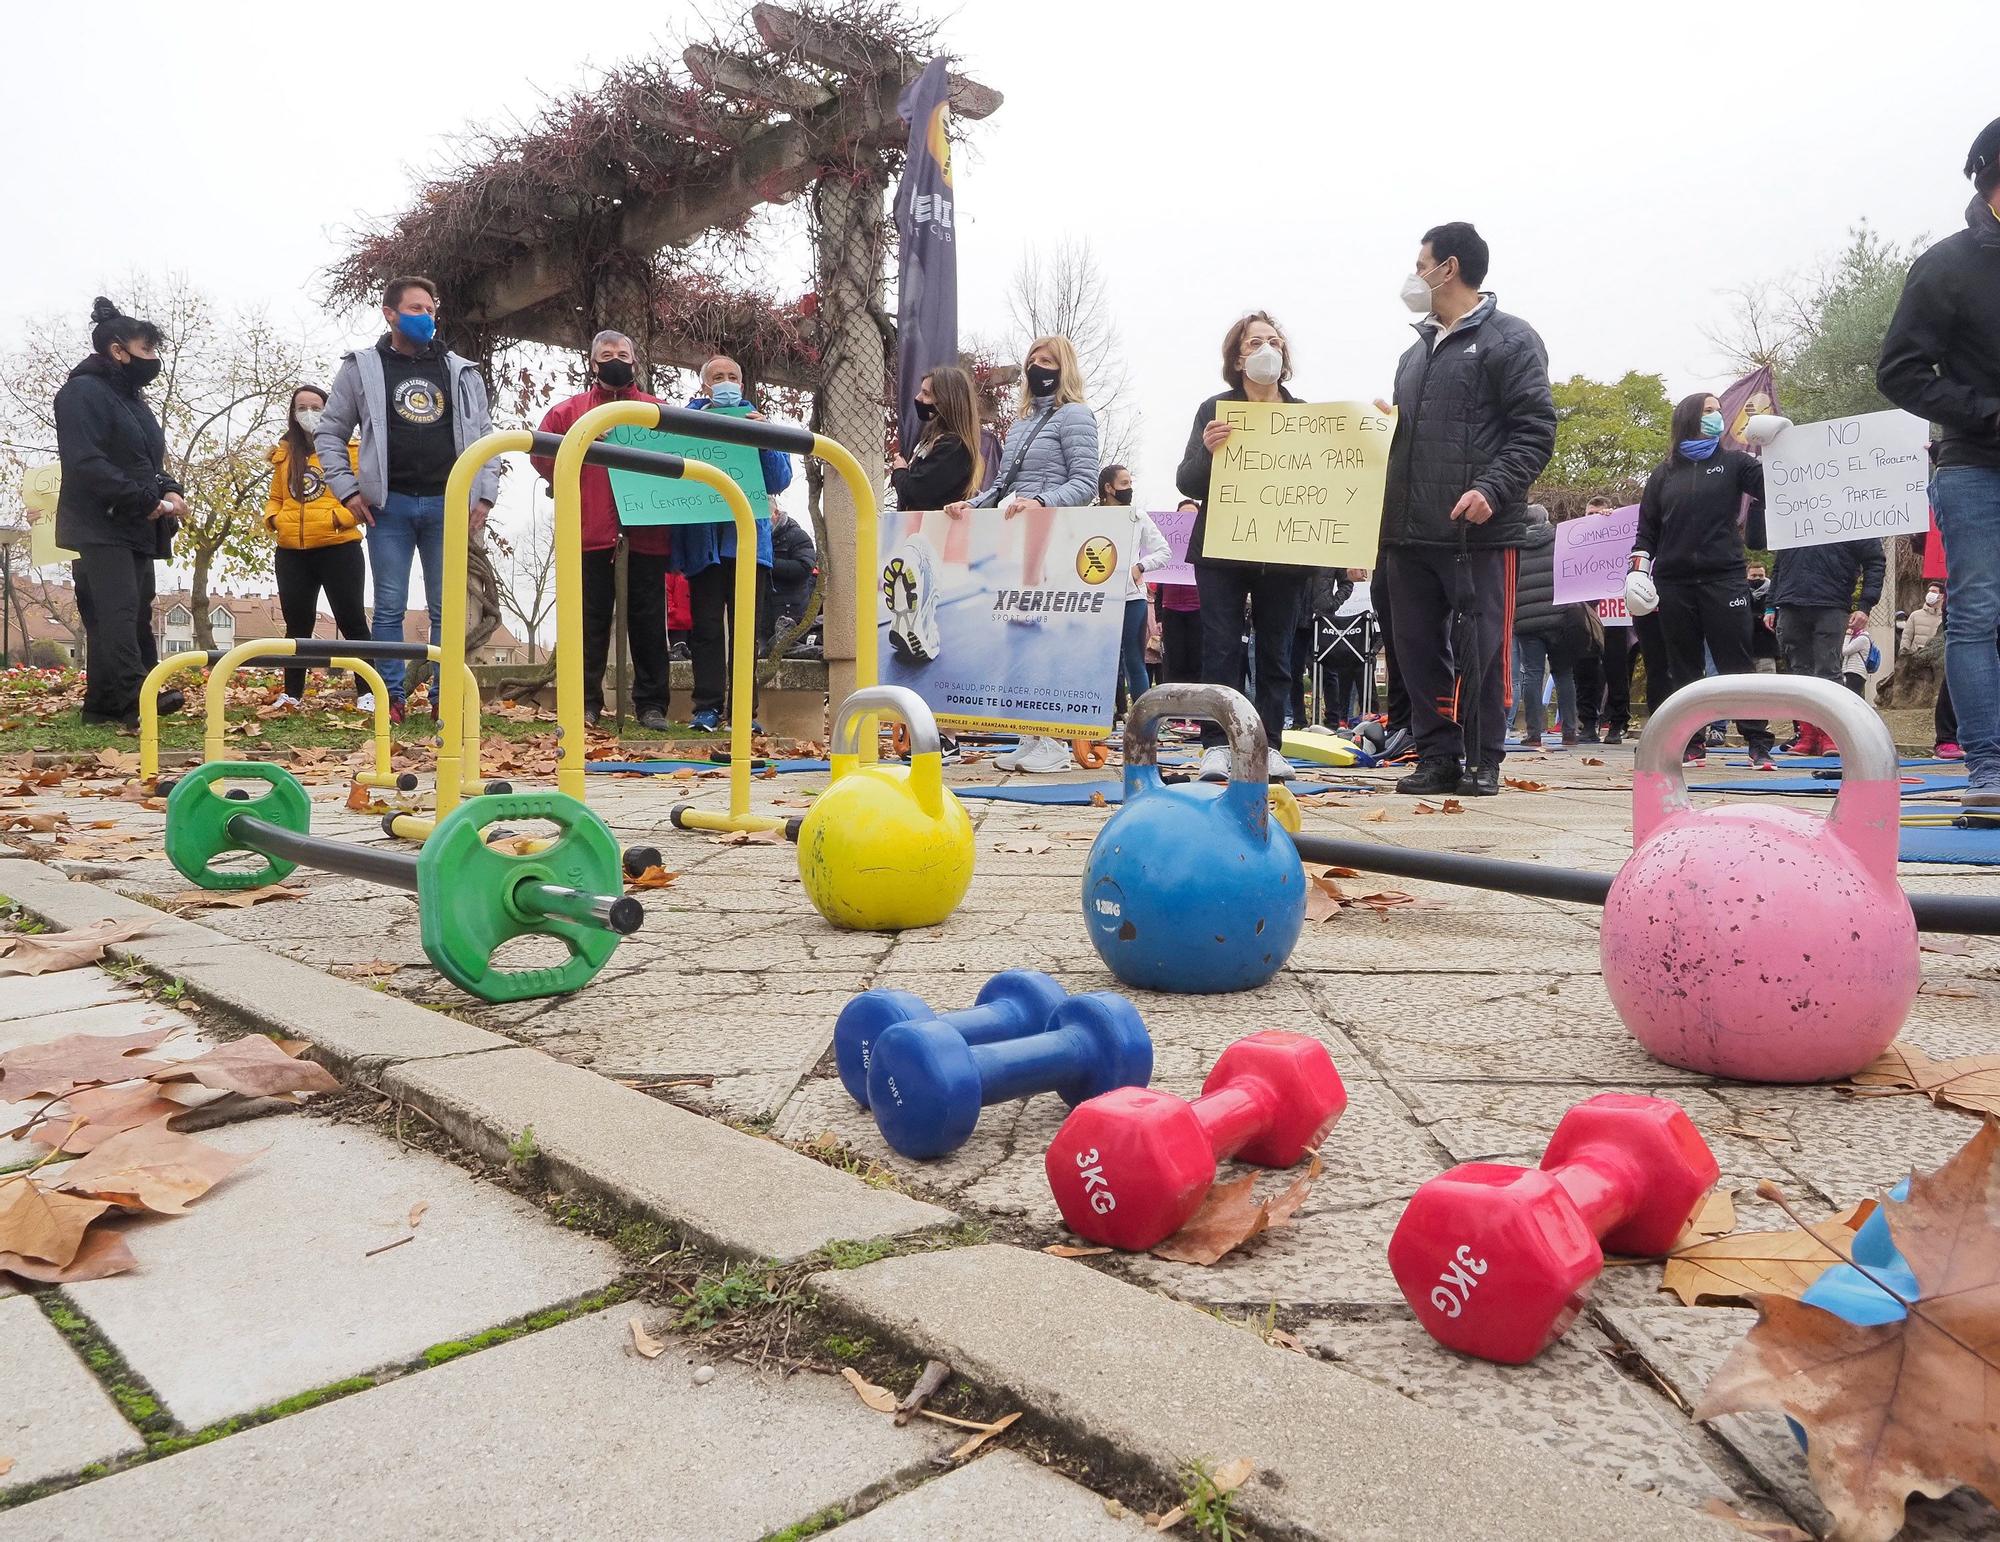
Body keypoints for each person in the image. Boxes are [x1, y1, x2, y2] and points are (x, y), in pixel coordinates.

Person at [1377, 223, 1557, 796]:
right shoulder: (1412, 355)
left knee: (1483, 647)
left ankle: (1483, 757)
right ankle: (1436, 755)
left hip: (1475, 532)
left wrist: (1492, 489)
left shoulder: (1510, 339)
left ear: (1446, 268)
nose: (1414, 273)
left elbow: (1535, 429)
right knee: (1416, 649)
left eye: (1420, 262)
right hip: (1409, 534)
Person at [1877, 116, 2000, 809]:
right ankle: (1989, 770)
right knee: (1978, 614)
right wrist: (1986, 410)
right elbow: (1898, 370)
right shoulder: (1947, 265)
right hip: (1976, 467)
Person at [316, 276, 496, 723]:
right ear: (390, 313)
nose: (426, 317)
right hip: (388, 506)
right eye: (415, 309)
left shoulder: (460, 370)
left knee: (445, 607)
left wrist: (485, 495)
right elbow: (330, 432)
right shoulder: (362, 367)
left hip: (447, 503)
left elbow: (486, 436)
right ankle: (391, 697)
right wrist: (347, 489)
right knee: (390, 605)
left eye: (431, 310)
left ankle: (444, 698)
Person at [946, 336, 1099, 775]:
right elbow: (1002, 485)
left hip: (1049, 538)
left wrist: (1043, 501)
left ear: (1064, 367)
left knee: (1042, 634)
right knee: (1019, 634)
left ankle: (1053, 740)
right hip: (1016, 536)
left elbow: (1086, 481)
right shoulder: (1021, 423)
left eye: (1048, 360)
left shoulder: (1076, 416)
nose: (1038, 366)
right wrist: (971, 505)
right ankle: (1030, 735)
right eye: (1033, 359)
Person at [1174, 312, 1316, 782]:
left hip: (1283, 551)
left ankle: (1270, 744)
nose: (1266, 349)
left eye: (1274, 340)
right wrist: (1208, 452)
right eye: (1255, 342)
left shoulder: (1305, 416)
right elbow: (1188, 481)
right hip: (1222, 551)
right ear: (1237, 356)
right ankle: (1217, 744)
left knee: (1277, 652)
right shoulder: (1215, 409)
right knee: (1221, 650)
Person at [54, 297, 186, 731]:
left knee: (133, 609)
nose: (153, 359)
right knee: (116, 610)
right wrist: (143, 498)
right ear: (117, 350)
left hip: (133, 522)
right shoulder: (82, 393)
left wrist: (168, 489)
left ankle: (104, 704)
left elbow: (146, 460)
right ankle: (137, 695)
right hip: (99, 521)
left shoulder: (132, 399)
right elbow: (85, 462)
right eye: (146, 350)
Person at [1626, 391, 1777, 768]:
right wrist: (1636, 572)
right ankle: (1690, 741)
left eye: (1718, 411)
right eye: (1708, 411)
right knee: (1683, 666)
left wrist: (1770, 446)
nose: (1716, 416)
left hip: (1723, 577)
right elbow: (1646, 531)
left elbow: (1775, 486)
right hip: (1673, 582)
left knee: (1736, 661)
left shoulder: (1735, 463)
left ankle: (1757, 741)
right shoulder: (1663, 474)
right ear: (1690, 418)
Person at [531, 332, 673, 730]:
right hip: (590, 532)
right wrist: (580, 445)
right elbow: (541, 458)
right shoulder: (568, 413)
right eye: (606, 354)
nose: (615, 360)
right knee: (588, 622)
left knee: (647, 622)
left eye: (623, 354)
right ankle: (585, 703)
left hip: (646, 533)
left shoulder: (657, 412)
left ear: (635, 362)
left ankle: (651, 706)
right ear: (593, 364)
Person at [678, 355, 793, 733]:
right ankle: (707, 710)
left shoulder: (756, 421)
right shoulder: (685, 422)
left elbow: (780, 479)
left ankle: (744, 713)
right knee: (706, 628)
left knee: (746, 630)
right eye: (717, 377)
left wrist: (767, 438)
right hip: (704, 542)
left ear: (741, 385)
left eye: (732, 376)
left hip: (748, 543)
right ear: (704, 386)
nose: (725, 382)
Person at [264, 385, 372, 708]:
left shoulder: (350, 449)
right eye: (301, 407)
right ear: (293, 414)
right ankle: (292, 694)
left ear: (328, 409)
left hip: (338, 548)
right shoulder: (284, 453)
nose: (308, 413)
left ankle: (368, 693)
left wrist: (338, 519)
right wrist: (274, 520)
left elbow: (364, 495)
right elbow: (275, 499)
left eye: (315, 406)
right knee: (297, 625)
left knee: (352, 621)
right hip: (292, 552)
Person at [885, 363, 984, 662]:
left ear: (947, 400)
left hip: (937, 531)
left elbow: (918, 489)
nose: (919, 399)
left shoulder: (955, 446)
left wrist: (899, 472)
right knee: (917, 564)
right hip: (922, 527)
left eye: (927, 394)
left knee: (924, 567)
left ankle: (920, 612)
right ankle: (914, 613)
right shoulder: (933, 440)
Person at [1770, 535, 1884, 756]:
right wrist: (1770, 604)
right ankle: (1807, 734)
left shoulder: (1852, 515)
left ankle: (1831, 735)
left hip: (1832, 603)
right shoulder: (1791, 513)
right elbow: (1779, 563)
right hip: (1790, 602)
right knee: (1798, 675)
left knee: (1828, 671)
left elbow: (1875, 561)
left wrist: (1865, 605)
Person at [1096, 464, 1172, 718]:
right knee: (1100, 660)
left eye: (1130, 483)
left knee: (1134, 659)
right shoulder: (1089, 516)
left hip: (1131, 598)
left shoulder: (1137, 517)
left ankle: (1143, 723)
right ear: (1109, 488)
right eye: (1124, 483)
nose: (1130, 489)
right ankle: (1099, 718)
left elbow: (1164, 551)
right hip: (1097, 598)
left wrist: (1141, 566)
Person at [1509, 505, 1573, 745]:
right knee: (1564, 673)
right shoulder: (1562, 541)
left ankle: (1534, 734)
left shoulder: (1515, 546)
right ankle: (1570, 732)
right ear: (1546, 520)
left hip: (1527, 620)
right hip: (1560, 618)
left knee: (1532, 675)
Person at [1291, 566, 1354, 729]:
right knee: (1294, 670)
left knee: (1329, 670)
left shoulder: (1331, 554)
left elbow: (1346, 584)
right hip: (1297, 617)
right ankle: (1299, 720)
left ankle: (1333, 719)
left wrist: (1333, 603)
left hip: (1323, 618)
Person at [1155, 497, 1203, 686]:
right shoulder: (1168, 546)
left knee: (1196, 663)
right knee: (1173, 664)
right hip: (1171, 612)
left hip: (1198, 611)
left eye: (1192, 516)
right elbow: (1161, 582)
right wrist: (1159, 616)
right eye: (1183, 516)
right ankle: (1175, 712)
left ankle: (1196, 710)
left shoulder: (1204, 545)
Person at [767, 502, 818, 641]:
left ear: (776, 513)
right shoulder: (758, 538)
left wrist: (769, 563)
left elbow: (804, 568)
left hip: (791, 611)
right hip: (766, 610)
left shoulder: (797, 536)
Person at [1841, 613, 1881, 695]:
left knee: (1852, 696)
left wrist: (1847, 635)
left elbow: (1844, 651)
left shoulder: (1862, 638)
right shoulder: (1856, 637)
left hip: (1855, 672)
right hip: (1851, 671)